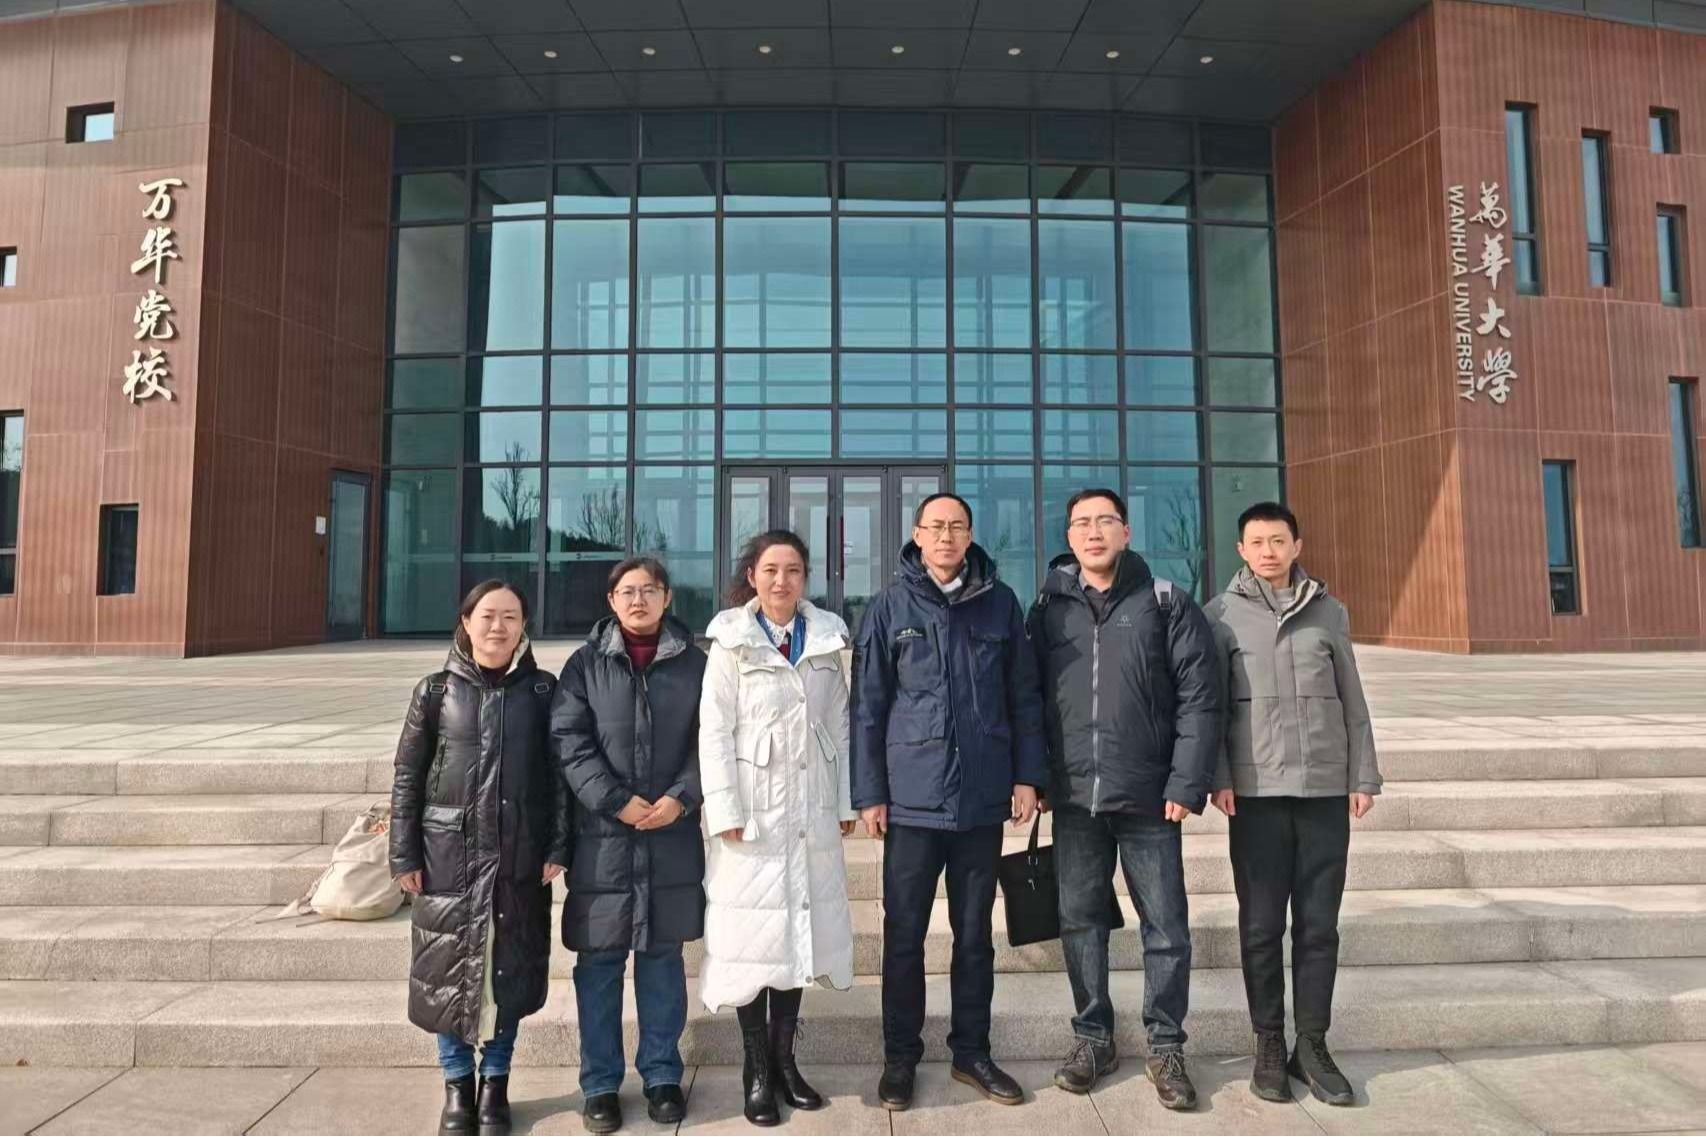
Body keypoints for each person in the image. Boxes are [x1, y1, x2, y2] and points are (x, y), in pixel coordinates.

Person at [851, 493, 1047, 1111]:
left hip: (982, 801)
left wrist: (1028, 777)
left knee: (974, 937)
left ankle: (972, 1052)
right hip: (911, 801)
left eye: (956, 526)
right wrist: (870, 793)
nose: (945, 536)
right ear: (917, 535)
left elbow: (1024, 696)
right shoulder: (890, 606)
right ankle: (899, 1058)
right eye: (935, 526)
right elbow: (868, 707)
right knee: (903, 935)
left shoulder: (1000, 602)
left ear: (969, 535)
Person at [1026, 489, 1221, 1110]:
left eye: (1104, 521)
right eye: (1081, 523)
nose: (1093, 532)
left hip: (1149, 799)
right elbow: (1028, 698)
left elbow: (1199, 698)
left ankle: (1166, 1045)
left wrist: (1186, 783)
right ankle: (1093, 1037)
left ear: (1126, 531)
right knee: (1081, 923)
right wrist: (1035, 777)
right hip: (1074, 799)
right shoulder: (1048, 608)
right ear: (1069, 536)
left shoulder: (1165, 602)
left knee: (1165, 928)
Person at [1204, 501, 1381, 1108]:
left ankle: (1312, 1044)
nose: (1268, 551)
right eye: (1257, 542)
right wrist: (1218, 776)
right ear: (1241, 550)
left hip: (1324, 791)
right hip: (1254, 795)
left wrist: (1363, 775)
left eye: (1278, 540)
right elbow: (1212, 707)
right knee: (1259, 926)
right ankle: (1269, 1044)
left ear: (1296, 546)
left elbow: (1352, 698)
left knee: (1318, 925)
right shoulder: (1220, 615)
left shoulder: (1329, 611)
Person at [389, 580, 568, 1137]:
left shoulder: (542, 690)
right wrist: (403, 853)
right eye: (487, 615)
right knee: (449, 973)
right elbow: (407, 777)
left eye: (510, 616)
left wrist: (558, 845)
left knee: (506, 974)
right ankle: (456, 1086)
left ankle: (495, 1084)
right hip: (448, 858)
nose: (498, 626)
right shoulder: (435, 691)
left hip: (520, 858)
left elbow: (559, 778)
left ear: (523, 626)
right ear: (466, 622)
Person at [699, 530, 857, 1127]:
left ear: (804, 579)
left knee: (797, 935)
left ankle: (786, 1062)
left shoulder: (825, 641)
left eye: (792, 570)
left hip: (809, 810)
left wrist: (844, 801)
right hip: (753, 816)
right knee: (753, 944)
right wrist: (724, 809)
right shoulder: (731, 642)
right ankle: (757, 1071)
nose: (781, 580)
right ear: (752, 576)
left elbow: (839, 726)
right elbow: (714, 730)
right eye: (770, 570)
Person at [551, 557, 707, 1134]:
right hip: (603, 841)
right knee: (599, 966)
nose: (638, 600)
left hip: (671, 835)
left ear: (667, 598)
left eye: (649, 590)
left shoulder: (696, 664)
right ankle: (599, 1084)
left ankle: (663, 1075)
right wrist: (615, 800)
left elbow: (712, 739)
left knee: (663, 960)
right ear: (611, 601)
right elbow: (569, 741)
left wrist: (681, 797)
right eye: (627, 591)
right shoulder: (584, 665)